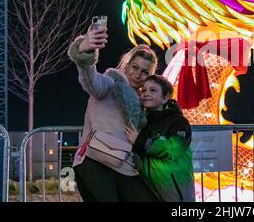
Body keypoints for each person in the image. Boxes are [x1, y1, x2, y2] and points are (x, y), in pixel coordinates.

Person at [68, 24, 158, 202]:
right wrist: (85, 53)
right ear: (126, 64)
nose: (138, 74)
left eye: (144, 72)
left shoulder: (144, 102)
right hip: (95, 161)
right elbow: (91, 81)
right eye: (135, 67)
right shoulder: (111, 83)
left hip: (125, 165)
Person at [124, 75, 195, 202]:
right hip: (151, 189)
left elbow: (173, 149)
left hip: (176, 190)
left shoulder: (178, 121)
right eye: (143, 90)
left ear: (165, 97)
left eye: (153, 90)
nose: (146, 94)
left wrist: (140, 140)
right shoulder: (142, 123)